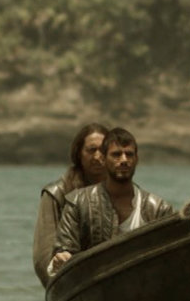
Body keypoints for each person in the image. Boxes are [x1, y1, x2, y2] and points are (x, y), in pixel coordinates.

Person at [48, 127, 175, 277]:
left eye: (129, 154)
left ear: (136, 159)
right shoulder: (77, 203)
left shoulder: (159, 209)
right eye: (116, 154)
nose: (124, 160)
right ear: (103, 159)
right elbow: (64, 250)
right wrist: (61, 258)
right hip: (94, 285)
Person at [32, 122, 110, 286]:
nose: (97, 156)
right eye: (91, 150)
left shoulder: (123, 194)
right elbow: (43, 258)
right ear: (79, 154)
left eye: (103, 150)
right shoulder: (57, 194)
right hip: (72, 286)